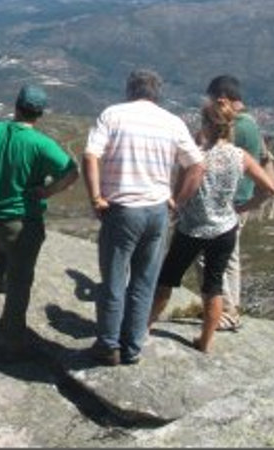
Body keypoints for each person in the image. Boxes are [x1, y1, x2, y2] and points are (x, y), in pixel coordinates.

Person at [83, 69, 205, 366]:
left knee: (114, 279)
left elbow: (90, 155)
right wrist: (177, 200)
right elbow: (197, 166)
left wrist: (96, 197)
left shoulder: (113, 115)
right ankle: (132, 347)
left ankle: (108, 345)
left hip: (122, 210)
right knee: (144, 282)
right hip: (157, 211)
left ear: (129, 89)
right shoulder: (172, 121)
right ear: (157, 93)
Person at [149, 98, 274, 353]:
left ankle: (144, 327)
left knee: (167, 279)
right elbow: (269, 188)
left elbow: (183, 191)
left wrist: (175, 207)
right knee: (213, 285)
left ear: (206, 124)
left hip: (192, 228)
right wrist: (242, 208)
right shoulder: (240, 156)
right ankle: (205, 341)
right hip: (225, 229)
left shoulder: (197, 156)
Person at [0, 85, 78, 360]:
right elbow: (72, 172)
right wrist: (48, 191)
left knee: (4, 241)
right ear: (39, 114)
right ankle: (13, 338)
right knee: (21, 278)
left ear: (15, 105)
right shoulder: (41, 145)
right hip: (20, 222)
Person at [198, 74, 262, 331]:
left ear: (222, 99)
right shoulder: (251, 123)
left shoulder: (237, 126)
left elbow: (215, 155)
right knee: (230, 257)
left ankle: (223, 311)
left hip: (228, 202)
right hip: (240, 200)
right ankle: (231, 309)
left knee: (209, 257)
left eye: (213, 101)